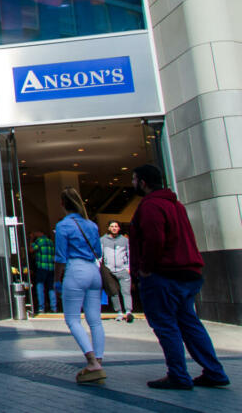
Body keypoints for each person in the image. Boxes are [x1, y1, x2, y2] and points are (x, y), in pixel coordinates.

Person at [130, 164, 230, 389]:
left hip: (164, 275)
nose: (133, 184)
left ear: (143, 182)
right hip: (188, 272)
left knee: (166, 325)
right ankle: (214, 371)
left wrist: (145, 268)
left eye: (135, 180)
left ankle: (178, 374)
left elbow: (154, 239)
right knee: (189, 323)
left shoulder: (151, 206)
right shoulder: (176, 205)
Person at [54, 187, 106, 384]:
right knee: (95, 320)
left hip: (75, 270)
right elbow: (99, 252)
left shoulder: (63, 226)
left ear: (62, 204)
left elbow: (60, 257)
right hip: (94, 271)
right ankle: (99, 361)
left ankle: (92, 361)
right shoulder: (91, 225)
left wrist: (57, 280)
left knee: (73, 319)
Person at [101, 221, 133, 322]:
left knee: (126, 291)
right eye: (112, 226)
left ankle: (128, 311)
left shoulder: (124, 240)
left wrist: (128, 267)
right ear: (109, 228)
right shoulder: (102, 240)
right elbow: (99, 255)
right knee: (113, 292)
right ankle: (119, 312)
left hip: (123, 270)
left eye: (116, 226)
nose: (114, 228)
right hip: (109, 271)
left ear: (119, 228)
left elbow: (129, 254)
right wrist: (103, 269)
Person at [31, 231, 57, 313]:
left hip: (42, 267)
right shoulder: (50, 241)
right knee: (51, 288)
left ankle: (41, 308)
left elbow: (31, 250)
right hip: (51, 267)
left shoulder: (40, 241)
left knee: (40, 287)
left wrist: (31, 239)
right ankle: (54, 307)